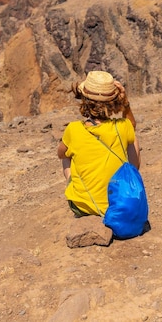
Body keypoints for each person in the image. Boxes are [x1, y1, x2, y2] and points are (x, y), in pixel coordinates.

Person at [57, 70, 141, 218]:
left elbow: (60, 154)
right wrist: (125, 103)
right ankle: (130, 179)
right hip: (121, 204)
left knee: (67, 155)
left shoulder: (73, 129)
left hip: (82, 207)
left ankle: (82, 192)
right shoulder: (122, 126)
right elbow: (132, 124)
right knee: (131, 137)